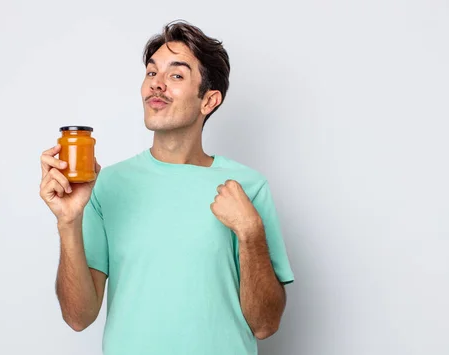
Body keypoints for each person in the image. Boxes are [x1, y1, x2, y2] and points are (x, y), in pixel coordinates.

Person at [39, 20, 294, 355]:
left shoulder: (248, 187)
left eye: (176, 75)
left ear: (209, 101)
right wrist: (68, 221)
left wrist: (251, 232)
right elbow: (78, 317)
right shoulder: (108, 185)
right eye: (150, 73)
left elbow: (265, 325)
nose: (156, 85)